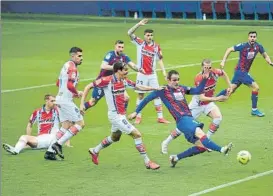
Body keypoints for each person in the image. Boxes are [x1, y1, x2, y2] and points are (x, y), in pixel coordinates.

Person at [129, 70, 233, 168]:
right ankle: (222, 149)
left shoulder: (182, 88)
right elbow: (147, 99)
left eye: (178, 79)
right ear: (168, 80)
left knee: (201, 148)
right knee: (201, 134)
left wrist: (205, 79)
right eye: (174, 80)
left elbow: (197, 90)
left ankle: (175, 158)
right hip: (182, 120)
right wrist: (136, 112)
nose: (176, 82)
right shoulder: (162, 91)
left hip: (188, 119)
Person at [80, 62, 161, 170]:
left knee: (115, 138)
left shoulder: (124, 80)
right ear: (118, 70)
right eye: (125, 69)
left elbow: (137, 86)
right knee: (137, 135)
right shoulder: (106, 80)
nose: (127, 71)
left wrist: (154, 88)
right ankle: (148, 162)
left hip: (120, 115)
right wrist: (82, 104)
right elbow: (88, 87)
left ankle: (94, 151)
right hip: (116, 116)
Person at [161, 59, 231, 154]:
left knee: (218, 118)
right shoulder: (199, 78)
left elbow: (223, 73)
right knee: (181, 128)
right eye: (205, 67)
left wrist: (230, 86)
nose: (207, 69)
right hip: (197, 105)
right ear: (202, 67)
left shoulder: (215, 72)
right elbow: (202, 98)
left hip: (209, 103)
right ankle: (166, 142)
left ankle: (207, 142)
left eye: (209, 67)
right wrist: (218, 98)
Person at [218, 31, 273, 117]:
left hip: (241, 72)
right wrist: (223, 61)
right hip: (241, 71)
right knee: (256, 87)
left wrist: (270, 62)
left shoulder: (258, 46)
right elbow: (229, 49)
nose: (252, 38)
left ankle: (211, 99)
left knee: (231, 89)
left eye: (254, 37)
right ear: (248, 37)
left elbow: (265, 55)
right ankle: (254, 110)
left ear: (256, 38)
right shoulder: (243, 46)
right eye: (251, 36)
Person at [44, 47, 85, 160]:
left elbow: (58, 83)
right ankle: (58, 144)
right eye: (79, 56)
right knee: (80, 123)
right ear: (72, 56)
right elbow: (70, 86)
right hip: (66, 101)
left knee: (66, 125)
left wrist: (71, 92)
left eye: (81, 56)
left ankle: (49, 152)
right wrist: (76, 93)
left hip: (59, 99)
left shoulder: (66, 65)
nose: (81, 58)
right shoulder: (73, 68)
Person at [128, 18, 169, 124]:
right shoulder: (140, 43)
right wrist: (139, 24)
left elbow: (160, 60)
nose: (149, 37)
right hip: (141, 74)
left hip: (152, 74)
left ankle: (160, 117)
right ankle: (138, 116)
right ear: (144, 36)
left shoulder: (156, 47)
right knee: (140, 95)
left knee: (157, 93)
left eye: (151, 35)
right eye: (147, 35)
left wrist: (164, 72)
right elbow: (129, 32)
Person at [84, 40, 143, 111]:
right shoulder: (110, 55)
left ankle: (122, 115)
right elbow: (103, 66)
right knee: (92, 102)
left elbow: (132, 65)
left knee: (126, 98)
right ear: (115, 46)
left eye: (122, 47)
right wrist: (116, 67)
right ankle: (79, 111)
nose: (121, 49)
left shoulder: (124, 56)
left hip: (115, 81)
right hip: (103, 81)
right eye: (119, 47)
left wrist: (139, 69)